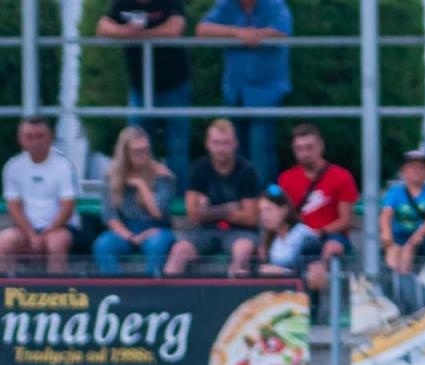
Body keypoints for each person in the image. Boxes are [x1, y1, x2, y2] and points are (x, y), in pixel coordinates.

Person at [198, 0, 292, 183]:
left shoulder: (274, 4)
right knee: (231, 149)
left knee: (261, 151)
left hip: (266, 92)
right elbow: (202, 29)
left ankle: (263, 201)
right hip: (235, 90)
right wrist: (237, 33)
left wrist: (257, 35)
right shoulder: (227, 4)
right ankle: (238, 199)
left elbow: (282, 32)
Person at [97, 0, 191, 177]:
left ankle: (178, 199)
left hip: (174, 85)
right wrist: (125, 32)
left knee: (177, 147)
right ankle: (140, 196)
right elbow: (102, 27)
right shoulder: (121, 3)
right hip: (139, 88)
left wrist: (142, 35)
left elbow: (176, 28)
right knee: (137, 145)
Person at [167, 118, 261, 277]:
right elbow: (193, 214)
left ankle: (234, 296)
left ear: (235, 144)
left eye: (226, 143)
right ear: (208, 144)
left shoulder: (247, 171)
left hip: (239, 232)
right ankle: (168, 298)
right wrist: (229, 208)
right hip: (204, 231)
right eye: (216, 143)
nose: (221, 148)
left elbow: (251, 217)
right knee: (179, 251)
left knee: (243, 251)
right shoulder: (199, 169)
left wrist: (208, 211)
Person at [92, 126, 177, 275]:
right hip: (125, 229)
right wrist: (131, 237)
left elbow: (158, 212)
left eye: (145, 150)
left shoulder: (162, 175)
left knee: (157, 245)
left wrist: (141, 185)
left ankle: (150, 292)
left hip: (155, 228)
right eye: (136, 152)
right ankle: (116, 291)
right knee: (103, 245)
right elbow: (110, 216)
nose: (142, 155)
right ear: (125, 153)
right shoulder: (111, 176)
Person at [0, 117, 80, 275]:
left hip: (59, 227)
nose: (35, 142)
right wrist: (31, 234)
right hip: (25, 229)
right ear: (20, 139)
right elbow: (14, 206)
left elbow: (67, 206)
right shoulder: (12, 167)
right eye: (29, 137)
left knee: (56, 242)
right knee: (4, 241)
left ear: (50, 137)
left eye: (40, 136)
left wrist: (45, 233)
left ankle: (55, 293)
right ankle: (7, 293)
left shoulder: (63, 166)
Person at [275, 123, 357, 278]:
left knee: (332, 247)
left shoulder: (341, 177)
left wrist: (319, 232)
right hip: (298, 235)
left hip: (330, 235)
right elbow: (282, 216)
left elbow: (345, 221)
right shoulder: (286, 179)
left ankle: (318, 280)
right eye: (299, 149)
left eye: (309, 147)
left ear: (320, 146)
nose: (305, 153)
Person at [381, 149, 425, 275]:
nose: (416, 171)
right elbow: (386, 214)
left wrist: (420, 234)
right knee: (394, 250)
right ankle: (394, 282)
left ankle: (404, 283)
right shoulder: (395, 192)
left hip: (424, 237)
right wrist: (386, 233)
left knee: (409, 249)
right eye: (412, 167)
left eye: (421, 168)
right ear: (403, 171)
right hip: (399, 235)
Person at [248, 182, 320, 287]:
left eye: (268, 209)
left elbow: (315, 279)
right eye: (261, 211)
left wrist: (283, 273)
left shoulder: (306, 238)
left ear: (284, 210)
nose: (264, 216)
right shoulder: (271, 241)